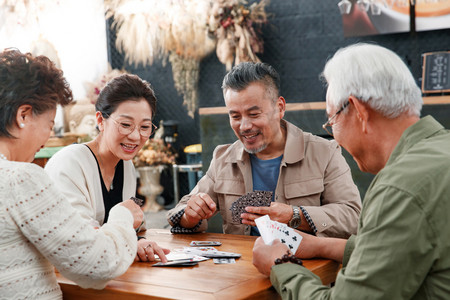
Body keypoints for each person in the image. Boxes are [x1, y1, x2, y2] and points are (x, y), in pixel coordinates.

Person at [252, 43, 450, 299]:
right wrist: (320, 245)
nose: (334, 135)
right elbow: (398, 247)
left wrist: (281, 265)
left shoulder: (400, 187)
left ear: (358, 112)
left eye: (331, 120)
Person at [0, 49, 144, 299]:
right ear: (23, 115)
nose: (48, 137)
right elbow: (98, 264)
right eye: (49, 124)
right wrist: (121, 215)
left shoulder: (126, 168)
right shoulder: (20, 178)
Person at [167, 62, 361, 237]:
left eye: (254, 114)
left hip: (305, 271)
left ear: (280, 107)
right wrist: (190, 216)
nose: (244, 126)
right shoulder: (223, 158)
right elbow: (180, 211)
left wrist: (295, 215)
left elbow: (353, 217)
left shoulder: (324, 152)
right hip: (242, 272)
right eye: (235, 116)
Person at [45, 74, 170, 262]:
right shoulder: (68, 163)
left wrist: (137, 241)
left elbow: (132, 227)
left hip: (105, 270)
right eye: (126, 125)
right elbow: (80, 240)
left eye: (145, 127)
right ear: (100, 120)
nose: (136, 136)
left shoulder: (126, 165)